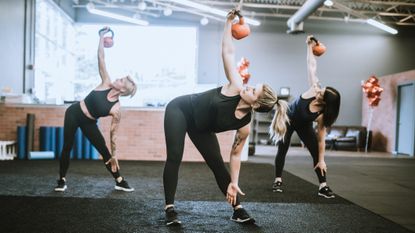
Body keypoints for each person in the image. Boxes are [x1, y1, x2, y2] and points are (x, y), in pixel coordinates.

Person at [162, 9, 290, 226]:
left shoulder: (244, 125)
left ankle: (237, 209)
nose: (248, 87)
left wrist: (234, 182)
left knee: (218, 166)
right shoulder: (236, 86)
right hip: (180, 109)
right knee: (175, 156)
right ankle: (170, 208)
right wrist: (227, 22)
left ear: (256, 104)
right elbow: (227, 52)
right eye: (252, 85)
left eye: (253, 91)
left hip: (202, 128)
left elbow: (236, 155)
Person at [54, 27, 137, 192]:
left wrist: (114, 155)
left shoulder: (116, 108)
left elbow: (113, 135)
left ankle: (119, 180)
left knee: (104, 150)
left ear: (123, 90)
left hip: (89, 122)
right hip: (74, 112)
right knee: (67, 146)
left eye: (121, 80)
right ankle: (62, 179)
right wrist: (100, 37)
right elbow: (101, 57)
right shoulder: (106, 82)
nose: (117, 78)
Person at [272, 35, 341, 198]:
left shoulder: (321, 114)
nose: (319, 90)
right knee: (283, 148)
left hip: (304, 125)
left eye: (322, 93)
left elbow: (321, 139)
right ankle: (278, 180)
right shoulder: (314, 87)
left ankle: (323, 186)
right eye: (321, 89)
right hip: (287, 119)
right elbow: (311, 65)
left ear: (325, 102)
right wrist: (309, 46)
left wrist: (322, 159)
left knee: (316, 153)